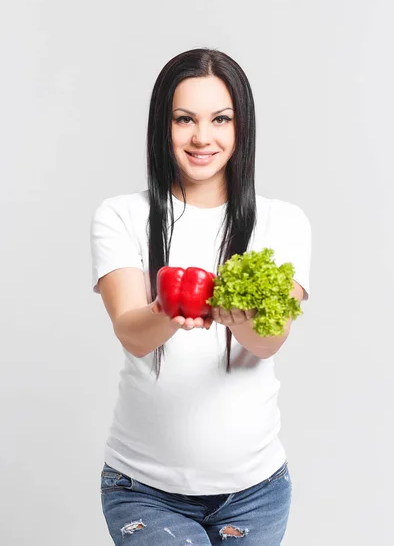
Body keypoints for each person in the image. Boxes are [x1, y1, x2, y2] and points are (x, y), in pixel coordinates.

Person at [90, 47, 312, 545]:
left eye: (220, 119)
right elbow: (132, 333)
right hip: (144, 488)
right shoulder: (122, 215)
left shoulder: (283, 221)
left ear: (241, 127)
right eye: (184, 119)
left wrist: (237, 319)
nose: (202, 137)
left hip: (256, 491)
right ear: (161, 126)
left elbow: (269, 341)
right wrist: (168, 309)